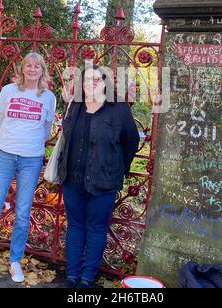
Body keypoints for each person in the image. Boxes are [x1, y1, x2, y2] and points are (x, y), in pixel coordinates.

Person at [0, 52, 56, 283]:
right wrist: (10, 138)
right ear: (22, 68)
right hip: (5, 155)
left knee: (23, 212)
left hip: (31, 159)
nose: (32, 69)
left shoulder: (48, 97)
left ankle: (15, 261)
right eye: (28, 65)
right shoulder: (8, 91)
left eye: (37, 66)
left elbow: (46, 129)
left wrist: (30, 142)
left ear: (42, 70)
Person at [58, 65, 140, 288]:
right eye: (87, 79)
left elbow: (131, 142)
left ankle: (86, 278)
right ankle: (72, 276)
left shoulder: (118, 109)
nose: (91, 83)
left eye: (96, 79)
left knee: (96, 228)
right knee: (75, 226)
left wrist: (119, 168)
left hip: (104, 181)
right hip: (72, 179)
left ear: (105, 83)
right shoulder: (74, 106)